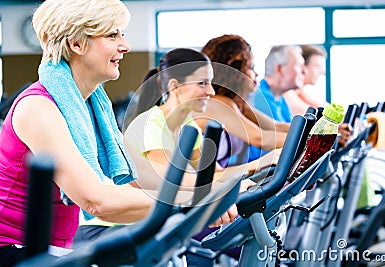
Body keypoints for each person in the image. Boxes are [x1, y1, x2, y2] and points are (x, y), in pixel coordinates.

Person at [0, 1, 232, 266]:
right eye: (113, 35)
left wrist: (219, 188)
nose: (125, 45)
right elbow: (96, 201)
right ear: (76, 43)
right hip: (14, 250)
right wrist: (196, 199)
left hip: (55, 249)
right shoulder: (38, 107)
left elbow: (141, 179)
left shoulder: (91, 107)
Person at [123, 47, 281, 267]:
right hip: (123, 229)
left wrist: (261, 164)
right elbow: (172, 184)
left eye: (210, 83)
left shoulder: (189, 128)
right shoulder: (150, 124)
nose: (212, 92)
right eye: (202, 83)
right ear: (174, 86)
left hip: (159, 224)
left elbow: (213, 173)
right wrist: (230, 184)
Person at [192, 34, 289, 167]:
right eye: (251, 68)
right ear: (235, 71)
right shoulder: (215, 103)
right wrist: (310, 142)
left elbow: (275, 126)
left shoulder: (236, 104)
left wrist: (315, 130)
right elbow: (259, 138)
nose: (256, 74)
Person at [283, 44, 328, 116]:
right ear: (302, 67)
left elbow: (325, 108)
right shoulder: (287, 93)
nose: (322, 72)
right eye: (318, 66)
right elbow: (312, 117)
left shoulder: (302, 93)